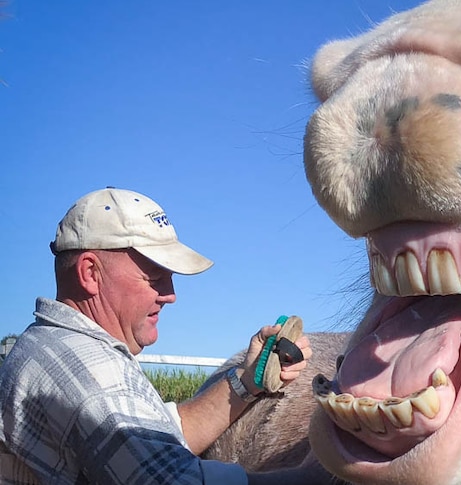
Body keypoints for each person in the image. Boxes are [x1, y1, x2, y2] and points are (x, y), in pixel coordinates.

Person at [0, 187, 316, 484]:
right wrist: (312, 477)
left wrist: (249, 380)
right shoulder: (90, 372)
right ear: (90, 273)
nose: (170, 295)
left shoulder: (53, 344)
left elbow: (155, 441)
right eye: (154, 278)